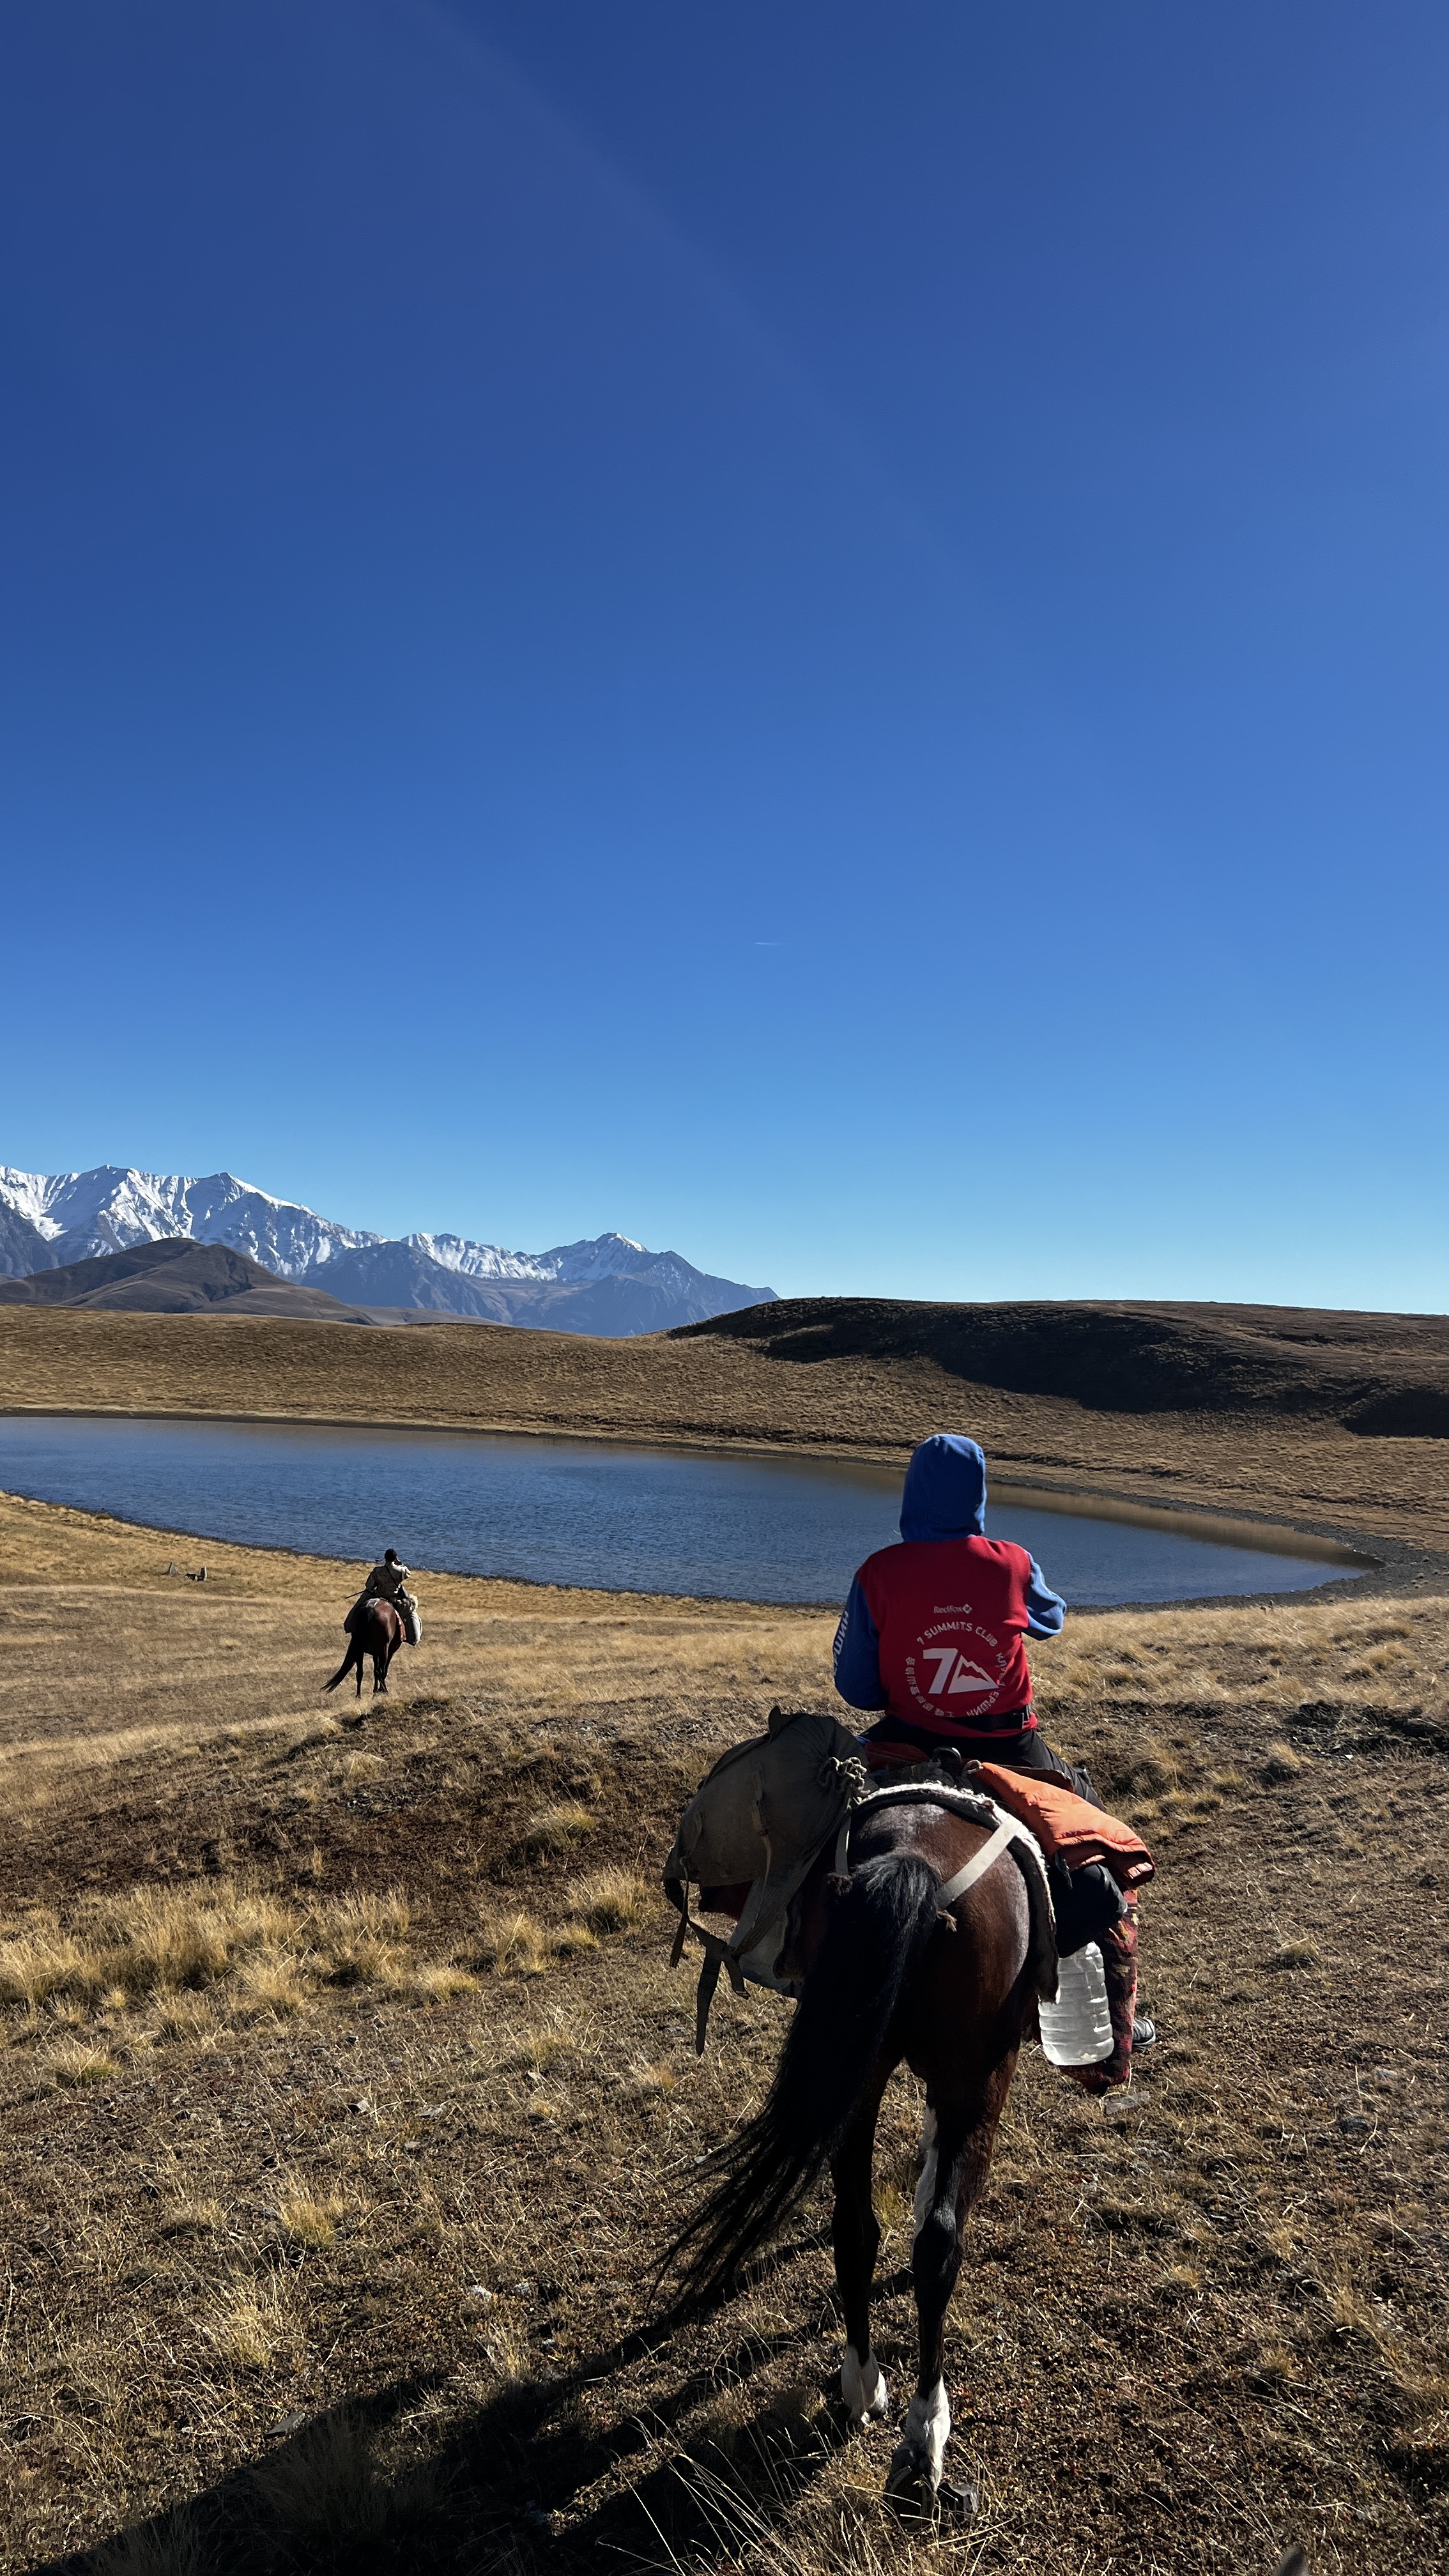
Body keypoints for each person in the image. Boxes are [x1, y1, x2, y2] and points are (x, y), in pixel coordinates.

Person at [832, 1433, 1152, 2090]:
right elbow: (1050, 1621)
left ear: (911, 1492)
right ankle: (1113, 2033)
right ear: (979, 1495)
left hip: (905, 1744)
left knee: (826, 1831)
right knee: (1096, 1850)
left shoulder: (878, 1572)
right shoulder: (1011, 1561)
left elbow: (856, 1688)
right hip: (1010, 1752)